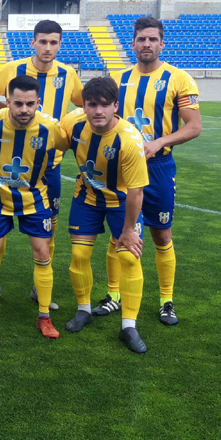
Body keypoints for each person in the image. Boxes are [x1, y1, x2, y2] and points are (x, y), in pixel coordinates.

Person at [91, 16, 201, 326]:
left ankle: (166, 299)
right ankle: (114, 296)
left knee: (161, 233)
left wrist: (159, 142)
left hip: (159, 167)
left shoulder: (179, 79)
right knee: (119, 234)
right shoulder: (117, 79)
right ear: (133, 43)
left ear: (162, 44)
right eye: (142, 39)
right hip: (122, 168)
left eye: (153, 39)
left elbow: (194, 127)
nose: (147, 44)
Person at [0, 19, 83, 309]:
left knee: (48, 226)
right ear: (33, 42)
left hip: (48, 166)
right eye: (43, 41)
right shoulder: (12, 69)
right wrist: (6, 114)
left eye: (54, 42)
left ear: (60, 44)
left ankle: (40, 288)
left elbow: (85, 102)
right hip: (9, 164)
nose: (48, 48)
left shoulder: (67, 74)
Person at [0, 75, 70, 338]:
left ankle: (44, 316)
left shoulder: (50, 128)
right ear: (7, 102)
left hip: (35, 201)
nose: (24, 110)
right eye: (18, 103)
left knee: (43, 253)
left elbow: (72, 143)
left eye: (30, 104)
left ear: (38, 103)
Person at [60, 76, 149, 354]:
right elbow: (48, 138)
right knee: (79, 256)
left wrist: (128, 230)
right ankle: (84, 310)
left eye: (104, 105)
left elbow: (136, 192)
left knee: (128, 257)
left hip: (122, 202)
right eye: (91, 105)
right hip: (86, 198)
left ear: (115, 106)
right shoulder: (72, 123)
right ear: (83, 106)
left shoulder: (129, 140)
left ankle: (128, 326)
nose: (98, 111)